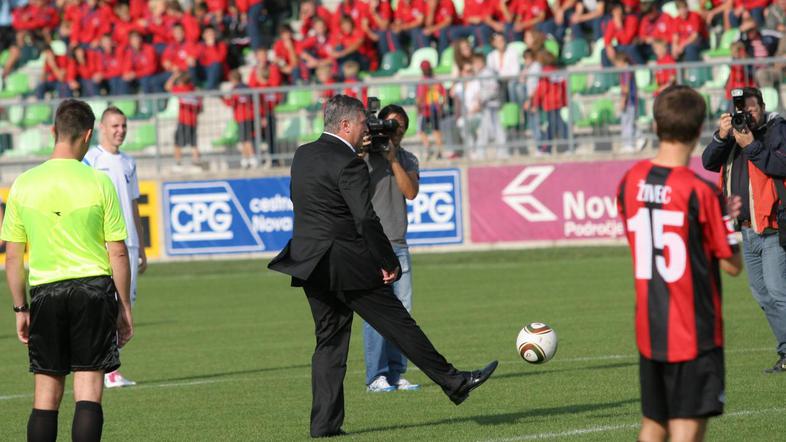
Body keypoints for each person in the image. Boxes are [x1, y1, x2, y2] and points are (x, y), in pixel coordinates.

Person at [268, 94, 498, 438]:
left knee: (328, 343)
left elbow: (300, 200)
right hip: (346, 262)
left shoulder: (303, 154)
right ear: (345, 124)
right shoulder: (349, 163)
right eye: (363, 122)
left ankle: (324, 425)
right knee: (398, 323)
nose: (368, 129)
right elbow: (365, 217)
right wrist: (388, 262)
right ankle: (454, 381)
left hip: (310, 262)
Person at [1, 99, 133, 442]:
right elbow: (118, 251)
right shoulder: (98, 182)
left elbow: (13, 259)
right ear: (88, 135)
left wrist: (20, 308)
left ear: (52, 132)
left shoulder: (23, 184)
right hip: (93, 291)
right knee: (88, 388)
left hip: (46, 293)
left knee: (46, 394)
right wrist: (125, 308)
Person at [618, 85, 743, 442]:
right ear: (699, 129)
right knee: (687, 430)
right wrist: (725, 219)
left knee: (653, 426)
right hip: (693, 331)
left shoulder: (629, 181)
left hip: (649, 327)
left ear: (656, 127)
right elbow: (732, 265)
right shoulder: (701, 193)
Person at [702, 86, 786, 374]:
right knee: (763, 296)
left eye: (751, 108)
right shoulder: (734, 134)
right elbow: (708, 162)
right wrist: (721, 136)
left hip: (774, 227)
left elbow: (780, 164)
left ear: (762, 106)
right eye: (741, 110)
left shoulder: (777, 130)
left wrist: (751, 144)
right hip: (747, 230)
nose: (746, 114)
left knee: (778, 292)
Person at [358, 104, 422, 393]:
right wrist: (363, 153)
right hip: (372, 246)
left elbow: (410, 192)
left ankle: (397, 373)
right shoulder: (364, 158)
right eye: (389, 125)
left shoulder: (407, 159)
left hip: (398, 243)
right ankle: (376, 377)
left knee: (403, 314)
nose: (393, 131)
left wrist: (393, 159)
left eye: (399, 128)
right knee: (376, 313)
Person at [82, 106, 147, 388]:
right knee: (107, 305)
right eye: (115, 126)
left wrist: (142, 247)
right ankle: (106, 370)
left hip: (129, 244)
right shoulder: (91, 160)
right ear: (102, 128)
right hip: (104, 243)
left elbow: (134, 207)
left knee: (125, 306)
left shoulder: (130, 162)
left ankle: (111, 368)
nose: (120, 131)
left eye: (124, 126)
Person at [165, 72, 203, 173]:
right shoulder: (195, 91)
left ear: (182, 82)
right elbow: (200, 108)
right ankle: (196, 164)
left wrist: (173, 76)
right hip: (193, 121)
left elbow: (167, 87)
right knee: (194, 144)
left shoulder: (182, 90)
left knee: (178, 143)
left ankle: (178, 164)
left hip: (183, 120)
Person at [222, 70, 259, 169]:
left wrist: (223, 98)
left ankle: (250, 158)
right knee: (246, 138)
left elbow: (230, 103)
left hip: (242, 117)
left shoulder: (235, 90)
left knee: (245, 139)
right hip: (250, 116)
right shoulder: (247, 87)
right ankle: (247, 158)